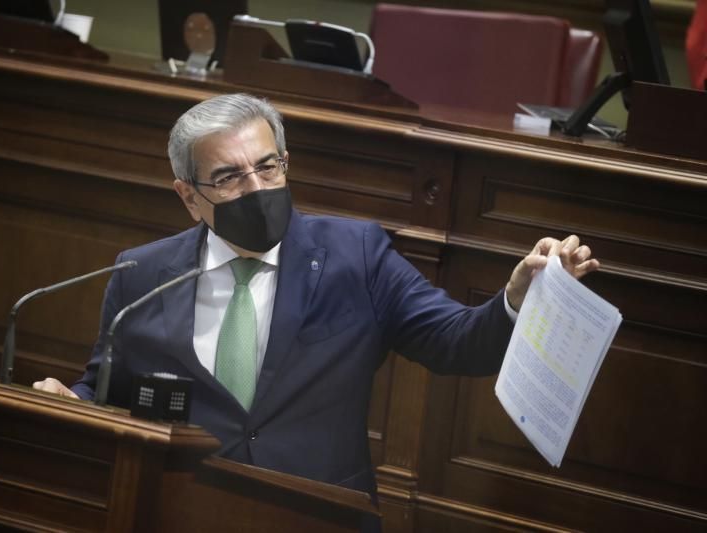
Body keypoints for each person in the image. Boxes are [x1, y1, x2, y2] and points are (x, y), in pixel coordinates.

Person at [34, 93, 598, 528]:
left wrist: (517, 298)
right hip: (183, 514)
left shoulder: (358, 255)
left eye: (267, 166)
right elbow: (106, 393)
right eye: (229, 177)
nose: (256, 188)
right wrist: (69, 404)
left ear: (286, 164)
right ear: (188, 196)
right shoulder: (142, 274)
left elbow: (456, 341)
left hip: (320, 516)